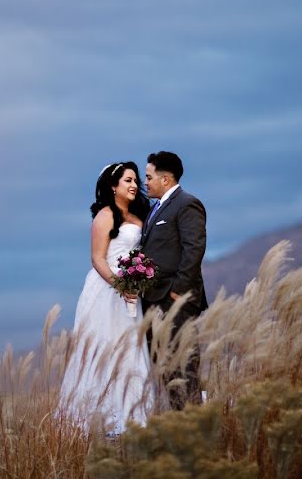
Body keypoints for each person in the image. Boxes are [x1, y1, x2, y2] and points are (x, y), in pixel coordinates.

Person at [58, 161, 152, 434]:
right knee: (106, 344)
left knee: (131, 347)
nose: (135, 185)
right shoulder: (105, 216)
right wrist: (120, 285)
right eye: (128, 180)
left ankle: (134, 413)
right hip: (106, 290)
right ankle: (101, 417)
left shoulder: (139, 216)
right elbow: (97, 258)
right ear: (113, 186)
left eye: (136, 180)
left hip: (132, 291)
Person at [141, 151, 208, 410]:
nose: (144, 182)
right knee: (167, 368)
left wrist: (178, 290)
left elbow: (195, 248)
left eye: (148, 177)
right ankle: (179, 426)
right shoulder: (154, 209)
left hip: (175, 301)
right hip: (155, 302)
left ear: (166, 179)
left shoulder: (187, 204)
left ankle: (192, 424)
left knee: (184, 366)